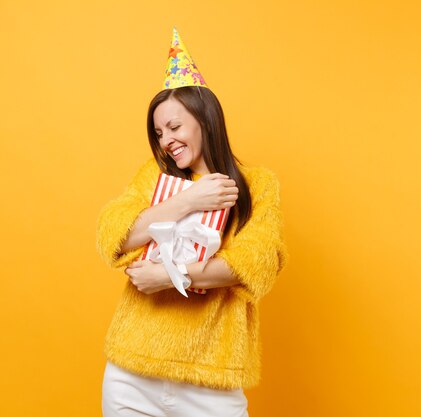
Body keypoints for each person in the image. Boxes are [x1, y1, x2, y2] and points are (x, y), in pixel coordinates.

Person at [96, 28, 287, 417]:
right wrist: (188, 200)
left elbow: (255, 263)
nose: (166, 140)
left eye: (175, 127)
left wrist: (168, 276)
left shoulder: (257, 186)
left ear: (204, 119)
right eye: (159, 132)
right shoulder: (153, 177)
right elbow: (115, 235)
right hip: (132, 374)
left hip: (211, 382)